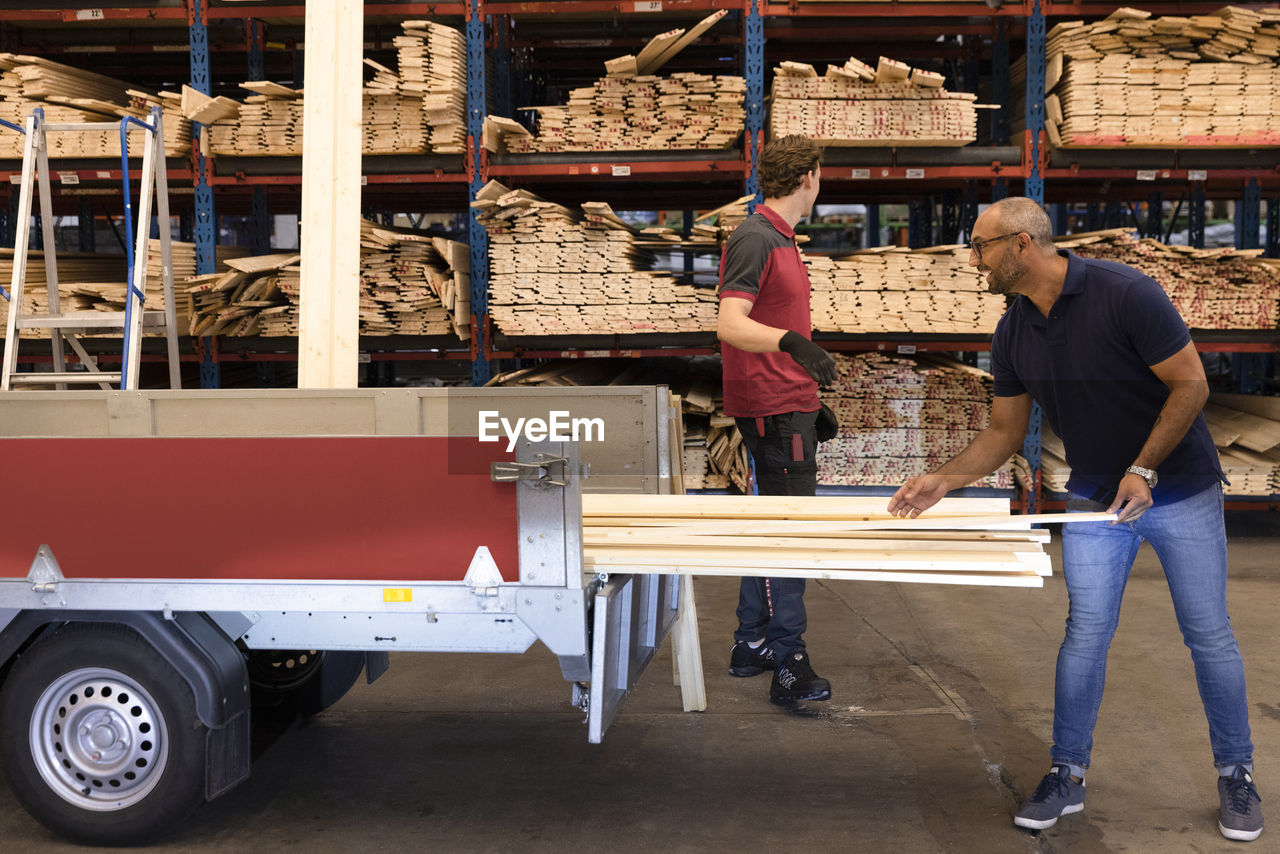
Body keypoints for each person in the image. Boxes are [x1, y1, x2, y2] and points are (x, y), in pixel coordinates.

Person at [887, 197, 1262, 842]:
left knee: (1208, 635)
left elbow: (1192, 384)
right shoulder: (1013, 330)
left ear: (1021, 246)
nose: (971, 258)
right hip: (1096, 499)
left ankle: (1236, 773)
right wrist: (944, 479)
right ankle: (1067, 772)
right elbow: (1006, 429)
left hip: (1180, 489)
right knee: (1085, 635)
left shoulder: (1125, 294)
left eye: (980, 245)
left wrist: (1143, 468)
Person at [716, 134, 837, 704]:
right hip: (771, 408)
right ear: (808, 176)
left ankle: (751, 644)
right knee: (790, 532)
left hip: (789, 404)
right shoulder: (755, 238)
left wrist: (809, 399)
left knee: (774, 521)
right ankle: (789, 660)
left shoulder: (782, 239)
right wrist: (792, 346)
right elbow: (730, 324)